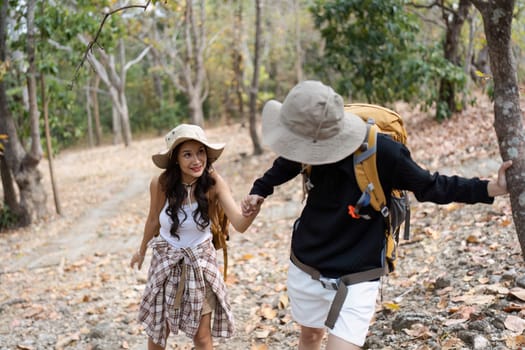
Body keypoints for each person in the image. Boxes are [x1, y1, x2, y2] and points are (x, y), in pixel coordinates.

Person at [241, 80, 512, 350]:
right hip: (307, 264)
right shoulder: (304, 145)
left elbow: (430, 186)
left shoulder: (383, 153)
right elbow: (286, 161)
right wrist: (261, 189)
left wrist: (490, 187)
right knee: (310, 336)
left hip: (358, 272)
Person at [130, 123, 258, 350]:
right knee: (159, 333)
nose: (196, 160)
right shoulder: (160, 184)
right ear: (175, 159)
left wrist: (251, 211)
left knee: (201, 338)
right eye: (187, 154)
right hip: (167, 262)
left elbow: (239, 223)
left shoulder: (213, 182)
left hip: (201, 262)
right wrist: (140, 252)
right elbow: (152, 221)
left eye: (200, 152)